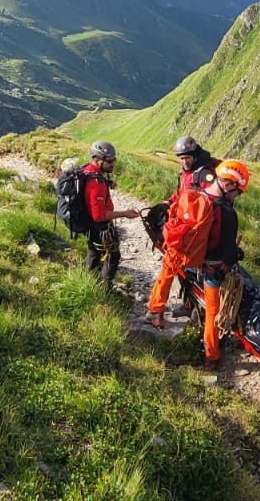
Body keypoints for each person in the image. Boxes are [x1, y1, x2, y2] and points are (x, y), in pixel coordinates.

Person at [146, 160, 249, 365]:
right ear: (229, 185)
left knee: (167, 271)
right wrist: (236, 256)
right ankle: (211, 357)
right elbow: (228, 253)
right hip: (211, 265)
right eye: (238, 192)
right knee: (213, 309)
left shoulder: (192, 194)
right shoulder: (227, 213)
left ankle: (155, 311)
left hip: (182, 254)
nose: (237, 197)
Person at [83, 141, 138, 289]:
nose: (113, 164)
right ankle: (104, 289)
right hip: (100, 228)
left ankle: (88, 282)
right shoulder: (96, 183)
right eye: (109, 161)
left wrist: (107, 183)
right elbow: (99, 216)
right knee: (113, 257)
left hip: (89, 226)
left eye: (114, 160)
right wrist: (124, 213)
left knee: (93, 253)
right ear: (97, 160)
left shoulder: (89, 171)